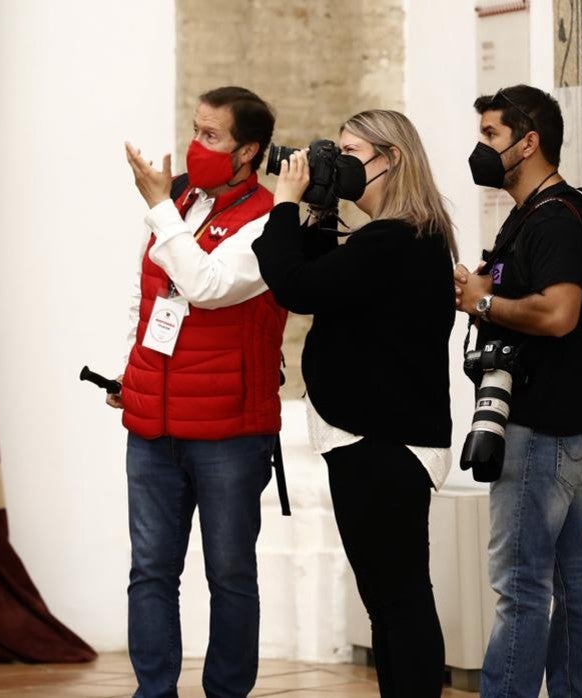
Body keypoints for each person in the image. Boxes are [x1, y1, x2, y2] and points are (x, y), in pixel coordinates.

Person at [253, 109, 458, 698]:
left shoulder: (395, 239)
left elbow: (296, 285)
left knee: (399, 600)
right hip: (376, 440)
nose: (340, 165)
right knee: (388, 601)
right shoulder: (404, 237)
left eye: (350, 153)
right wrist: (319, 206)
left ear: (389, 159)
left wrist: (284, 203)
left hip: (382, 444)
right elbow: (323, 274)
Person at [116, 85, 286, 698]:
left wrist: (160, 210)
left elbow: (210, 284)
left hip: (229, 432)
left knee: (231, 574)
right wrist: (128, 372)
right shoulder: (180, 199)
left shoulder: (271, 219)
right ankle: (153, 691)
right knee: (151, 572)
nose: (195, 146)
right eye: (194, 130)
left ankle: (226, 693)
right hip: (153, 422)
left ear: (249, 151)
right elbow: (150, 292)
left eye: (211, 136)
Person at [454, 84, 582, 698]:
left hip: (543, 428)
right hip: (564, 426)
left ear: (529, 142)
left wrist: (485, 301)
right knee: (571, 582)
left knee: (520, 587)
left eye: (491, 135)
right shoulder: (533, 217)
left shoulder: (557, 220)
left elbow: (559, 313)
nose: (481, 148)